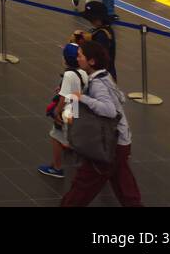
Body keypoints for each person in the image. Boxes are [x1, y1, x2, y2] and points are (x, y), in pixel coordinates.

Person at [60, 38, 143, 208]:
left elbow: (109, 110)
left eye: (81, 56)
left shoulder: (97, 83)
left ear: (91, 61)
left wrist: (81, 97)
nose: (78, 59)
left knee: (84, 183)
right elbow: (120, 99)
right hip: (122, 140)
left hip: (109, 143)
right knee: (123, 183)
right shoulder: (106, 76)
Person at [39, 42, 88, 179]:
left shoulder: (68, 75)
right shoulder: (82, 72)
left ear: (65, 59)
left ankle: (57, 167)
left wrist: (57, 112)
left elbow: (63, 97)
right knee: (72, 134)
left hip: (68, 109)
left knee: (55, 135)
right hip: (78, 108)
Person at [77, 0, 117, 80]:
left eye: (92, 19)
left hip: (101, 76)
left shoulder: (102, 35)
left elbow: (98, 57)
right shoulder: (105, 30)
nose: (90, 21)